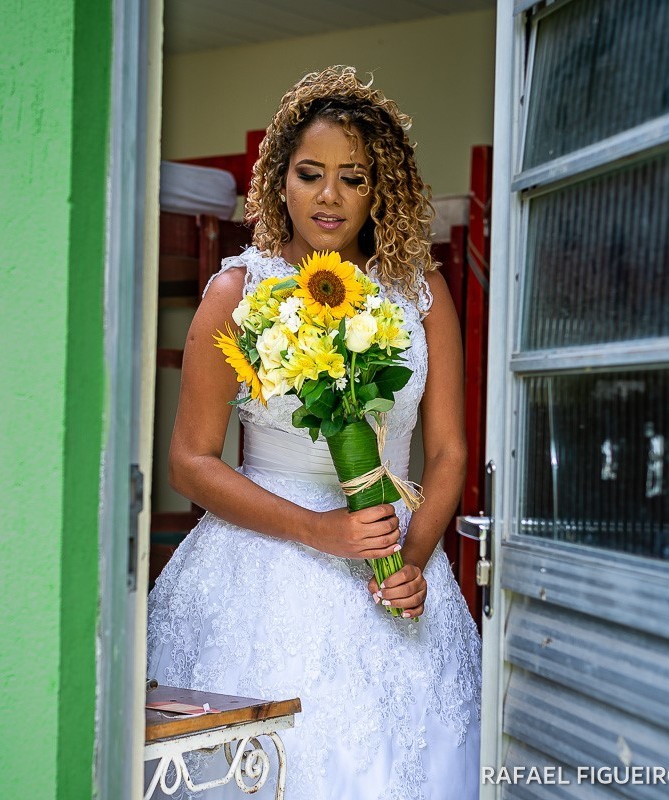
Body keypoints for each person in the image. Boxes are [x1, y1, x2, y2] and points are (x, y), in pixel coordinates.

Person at [147, 66, 481, 799]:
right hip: (263, 570)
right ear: (281, 180)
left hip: (396, 559)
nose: (329, 196)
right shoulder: (238, 291)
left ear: (380, 189)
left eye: (353, 178)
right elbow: (190, 461)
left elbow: (448, 451)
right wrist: (317, 529)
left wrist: (411, 562)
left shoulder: (421, 294)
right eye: (310, 174)